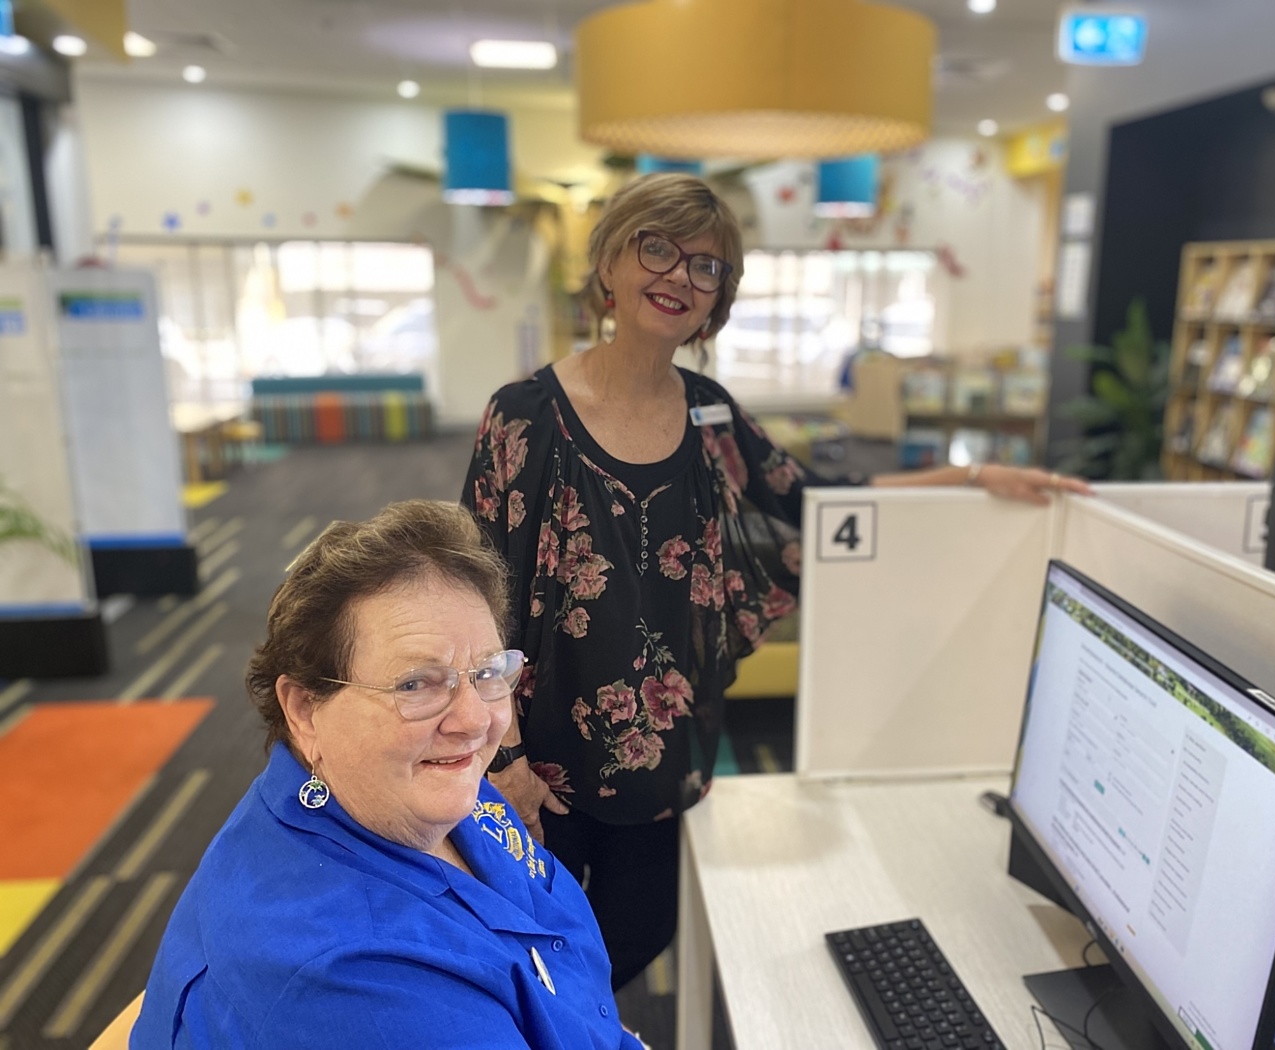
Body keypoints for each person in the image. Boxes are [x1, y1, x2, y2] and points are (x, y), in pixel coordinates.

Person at [462, 172, 1091, 992]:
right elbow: (473, 592)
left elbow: (820, 501)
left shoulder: (712, 415)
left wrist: (970, 481)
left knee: (635, 939)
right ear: (610, 263)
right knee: (520, 953)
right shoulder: (523, 415)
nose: (679, 276)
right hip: (536, 760)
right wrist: (500, 756)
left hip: (658, 759)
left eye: (706, 266)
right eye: (657, 248)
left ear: (717, 301)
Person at [131, 499, 646, 1050]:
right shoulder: (353, 981)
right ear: (305, 710)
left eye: (490, 672)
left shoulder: (421, 796)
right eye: (416, 684)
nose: (476, 720)